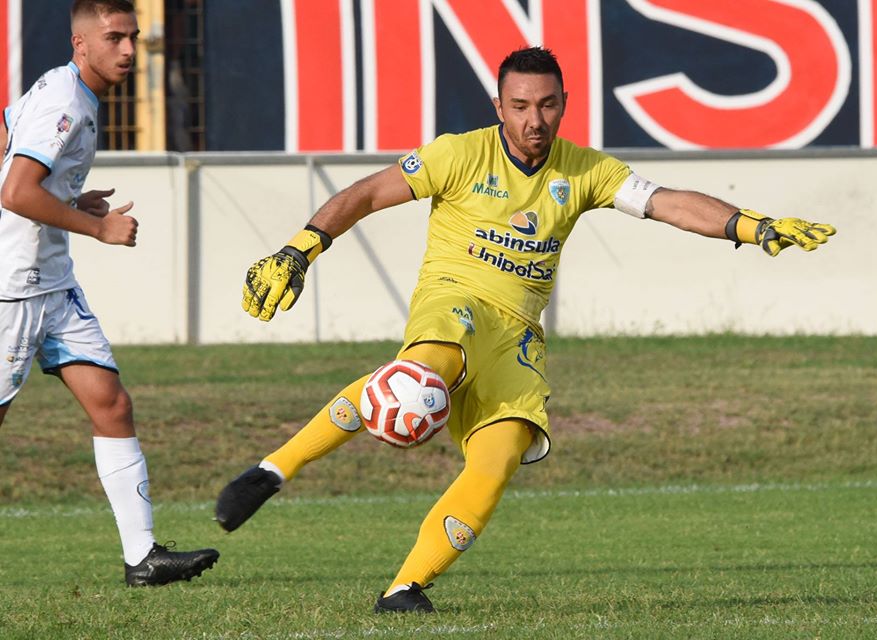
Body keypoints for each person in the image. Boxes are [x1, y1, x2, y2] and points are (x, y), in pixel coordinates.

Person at [216, 46, 835, 612]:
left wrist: (752, 226)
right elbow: (368, 193)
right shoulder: (459, 154)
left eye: (546, 105)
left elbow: (668, 200)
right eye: (519, 106)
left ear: (563, 105)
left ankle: (405, 589)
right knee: (427, 370)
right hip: (454, 304)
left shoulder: (585, 170)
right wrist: (301, 250)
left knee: (501, 453)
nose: (533, 119)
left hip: (518, 338)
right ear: (498, 107)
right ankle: (272, 471)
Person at [0, 0, 219, 586]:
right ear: (81, 44)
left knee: (112, 404)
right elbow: (17, 193)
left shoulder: (61, 90)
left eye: (133, 37)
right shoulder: (65, 102)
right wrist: (97, 226)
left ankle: (142, 558)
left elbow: (7, 142)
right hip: (16, 290)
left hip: (54, 282)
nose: (128, 50)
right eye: (115, 38)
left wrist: (70, 204)